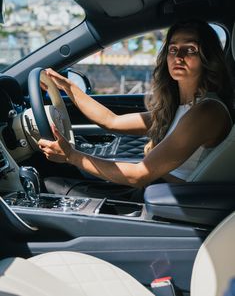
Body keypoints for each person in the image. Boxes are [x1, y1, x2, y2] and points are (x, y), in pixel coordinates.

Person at [38, 19, 234, 202]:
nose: (179, 56)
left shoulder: (207, 111)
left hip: (165, 200)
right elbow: (111, 121)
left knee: (47, 184)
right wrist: (67, 86)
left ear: (207, 57)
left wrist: (72, 156)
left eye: (190, 49)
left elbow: (139, 175)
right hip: (155, 191)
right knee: (53, 180)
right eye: (173, 49)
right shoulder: (179, 108)